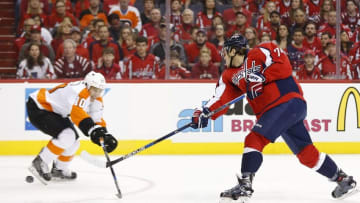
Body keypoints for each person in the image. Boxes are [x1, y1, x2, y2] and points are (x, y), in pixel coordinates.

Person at [190, 34, 357, 202]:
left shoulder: (263, 50)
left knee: (254, 138)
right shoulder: (229, 76)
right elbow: (220, 100)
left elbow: (283, 65)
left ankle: (245, 186)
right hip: (280, 112)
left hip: (287, 101)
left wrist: (262, 77)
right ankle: (344, 180)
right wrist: (205, 113)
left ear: (234, 50)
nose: (224, 56)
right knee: (306, 153)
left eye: (226, 52)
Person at [27, 71, 118, 183]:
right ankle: (40, 162)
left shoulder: (96, 97)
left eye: (100, 90)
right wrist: (94, 132)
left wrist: (104, 135)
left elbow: (96, 119)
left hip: (55, 112)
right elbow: (77, 114)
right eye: (94, 89)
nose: (97, 94)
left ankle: (59, 170)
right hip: (39, 108)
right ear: (87, 85)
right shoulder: (78, 91)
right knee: (67, 136)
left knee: (74, 142)